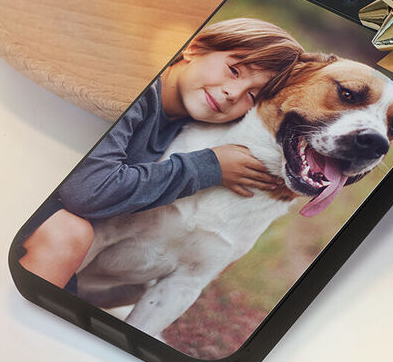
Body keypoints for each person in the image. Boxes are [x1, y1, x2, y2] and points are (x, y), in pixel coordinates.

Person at [17, 18, 305, 286]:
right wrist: (210, 166)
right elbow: (86, 191)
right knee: (70, 233)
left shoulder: (189, 126)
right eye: (234, 70)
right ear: (195, 47)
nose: (233, 93)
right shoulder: (136, 88)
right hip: (25, 190)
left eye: (252, 96)